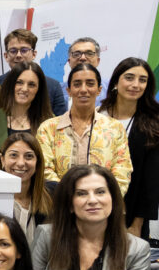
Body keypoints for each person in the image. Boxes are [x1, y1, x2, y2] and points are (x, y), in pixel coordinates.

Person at [98, 58, 159, 238]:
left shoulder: (154, 128)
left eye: (142, 80)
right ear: (116, 82)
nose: (135, 85)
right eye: (129, 78)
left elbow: (151, 182)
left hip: (129, 216)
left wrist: (137, 224)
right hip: (90, 205)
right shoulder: (95, 116)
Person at [37, 63, 132, 195]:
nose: (83, 89)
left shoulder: (115, 128)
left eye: (90, 84)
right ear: (68, 91)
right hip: (59, 202)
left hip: (102, 203)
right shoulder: (48, 128)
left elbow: (122, 172)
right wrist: (71, 198)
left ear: (99, 90)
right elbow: (44, 170)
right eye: (77, 84)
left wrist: (99, 198)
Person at [0, 61, 53, 166]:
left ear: (39, 89)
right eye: (19, 82)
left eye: (31, 84)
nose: (24, 89)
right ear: (10, 85)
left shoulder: (50, 122)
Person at [0, 29, 67, 115]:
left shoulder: (53, 86)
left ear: (34, 54)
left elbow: (60, 120)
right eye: (13, 51)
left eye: (24, 50)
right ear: (6, 56)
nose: (18, 55)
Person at [0, 133, 50, 248]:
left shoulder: (53, 194)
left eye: (29, 156)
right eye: (13, 155)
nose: (21, 163)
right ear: (2, 159)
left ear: (38, 162)